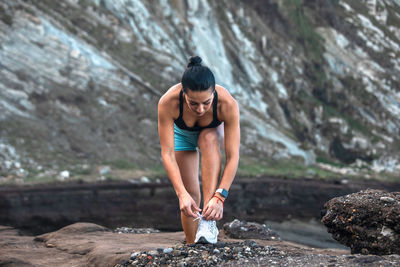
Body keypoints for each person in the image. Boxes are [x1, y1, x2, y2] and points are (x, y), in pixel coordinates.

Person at [157, 56, 240, 244]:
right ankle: (191, 245)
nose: (200, 109)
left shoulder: (227, 103)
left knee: (208, 137)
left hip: (211, 135)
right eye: (193, 103)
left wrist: (220, 196)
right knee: (190, 196)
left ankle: (208, 224)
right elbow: (167, 153)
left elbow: (233, 156)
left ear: (213, 93)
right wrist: (181, 195)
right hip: (182, 135)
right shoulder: (167, 102)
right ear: (183, 93)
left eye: (206, 102)